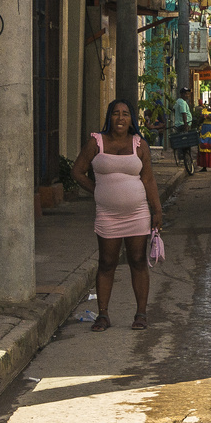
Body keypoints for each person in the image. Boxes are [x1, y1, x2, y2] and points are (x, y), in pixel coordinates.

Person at [71, 99, 163, 331]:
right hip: (107, 215)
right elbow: (77, 171)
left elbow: (148, 179)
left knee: (138, 261)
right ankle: (103, 315)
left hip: (138, 213)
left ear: (132, 119)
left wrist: (157, 210)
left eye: (125, 114)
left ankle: (141, 314)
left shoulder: (139, 144)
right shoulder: (96, 142)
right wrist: (98, 189)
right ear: (108, 118)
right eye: (115, 114)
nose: (120, 118)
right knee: (106, 263)